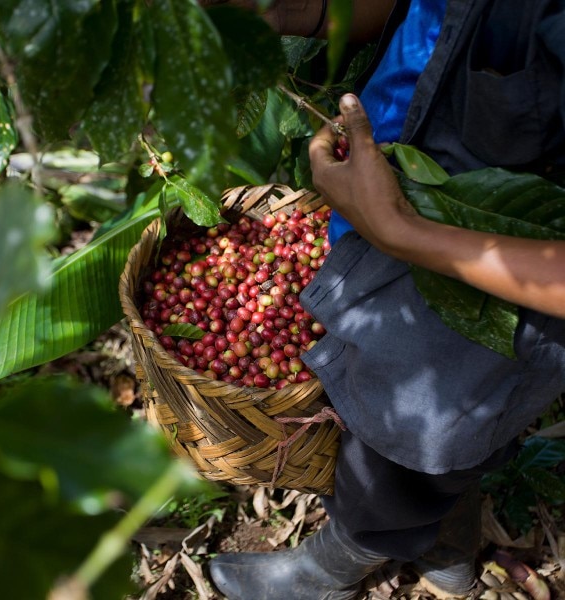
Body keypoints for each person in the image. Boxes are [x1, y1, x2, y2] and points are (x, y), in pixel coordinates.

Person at [203, 1, 565, 599]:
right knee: (419, 412)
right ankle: (446, 546)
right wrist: (303, 11)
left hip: (489, 279)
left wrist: (404, 232)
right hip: (395, 232)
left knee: (412, 432)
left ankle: (336, 567)